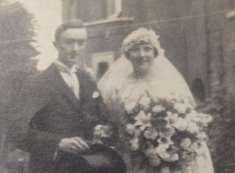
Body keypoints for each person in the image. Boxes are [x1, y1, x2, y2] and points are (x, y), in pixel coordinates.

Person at [98, 28, 214, 173]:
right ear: (127, 55)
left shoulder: (170, 82)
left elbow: (187, 117)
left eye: (147, 49)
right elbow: (112, 122)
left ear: (155, 53)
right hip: (135, 156)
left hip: (171, 156)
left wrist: (179, 142)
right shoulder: (117, 87)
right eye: (135, 50)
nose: (142, 55)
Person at [18, 19, 111, 173]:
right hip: (51, 167)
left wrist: (102, 128)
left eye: (80, 43)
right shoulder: (38, 82)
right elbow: (17, 132)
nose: (75, 49)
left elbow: (101, 118)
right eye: (69, 42)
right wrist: (58, 142)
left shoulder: (88, 79)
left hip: (87, 165)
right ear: (56, 45)